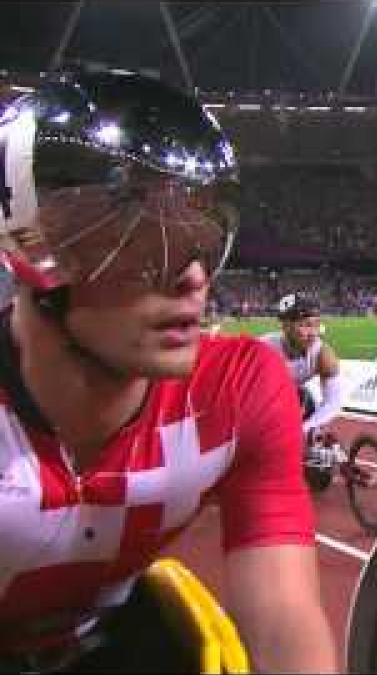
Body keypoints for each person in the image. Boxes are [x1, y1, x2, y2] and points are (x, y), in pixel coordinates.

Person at [0, 70, 337, 671]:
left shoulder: (236, 389)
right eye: (140, 245)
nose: (193, 280)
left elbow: (285, 618)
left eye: (204, 244)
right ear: (36, 251)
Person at [258, 292, 343, 439]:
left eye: (316, 325)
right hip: (264, 401)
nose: (313, 334)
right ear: (286, 326)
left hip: (297, 398)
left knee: (304, 403)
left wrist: (307, 428)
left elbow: (333, 402)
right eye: (305, 325)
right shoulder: (263, 349)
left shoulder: (323, 355)